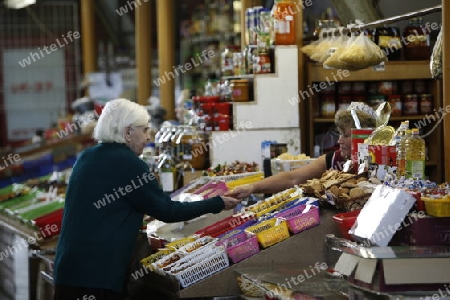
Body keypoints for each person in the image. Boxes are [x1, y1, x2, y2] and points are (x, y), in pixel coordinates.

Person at [53, 98, 240, 300]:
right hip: (98, 276)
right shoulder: (129, 164)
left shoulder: (87, 156)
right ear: (127, 132)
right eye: (144, 130)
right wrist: (218, 203)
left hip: (69, 269)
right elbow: (167, 211)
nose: (148, 137)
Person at [225, 103, 377, 199]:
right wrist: (252, 187)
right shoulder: (333, 159)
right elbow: (292, 179)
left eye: (346, 135)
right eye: (339, 134)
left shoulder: (381, 163)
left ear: (365, 136)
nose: (339, 141)